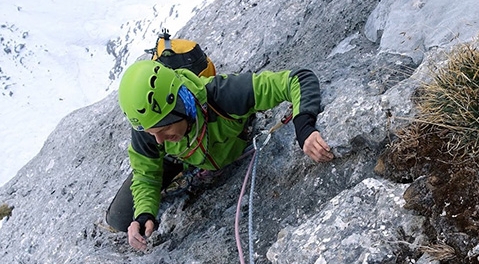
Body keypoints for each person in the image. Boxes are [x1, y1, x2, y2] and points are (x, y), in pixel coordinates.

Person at [108, 59, 334, 250]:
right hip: (177, 160)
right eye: (152, 133)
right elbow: (146, 175)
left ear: (181, 105)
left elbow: (298, 79)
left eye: (163, 129)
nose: (157, 139)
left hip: (215, 146)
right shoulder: (149, 127)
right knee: (119, 218)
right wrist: (144, 214)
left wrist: (304, 128)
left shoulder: (223, 96)